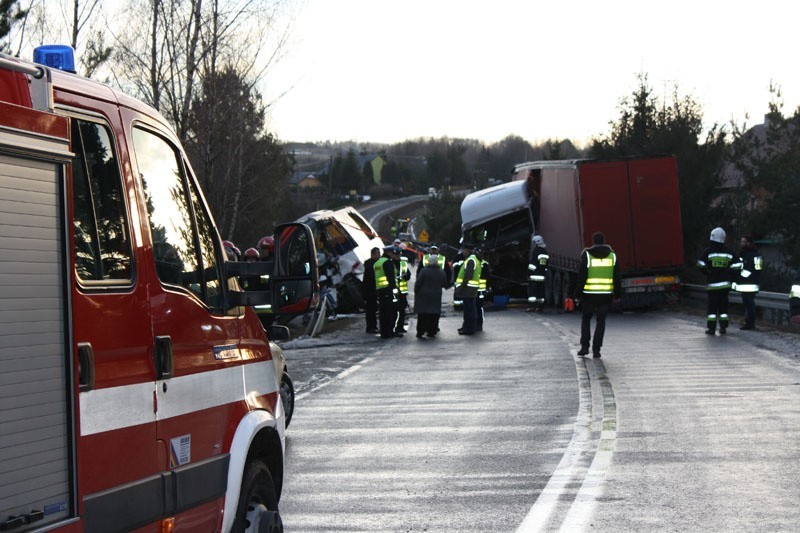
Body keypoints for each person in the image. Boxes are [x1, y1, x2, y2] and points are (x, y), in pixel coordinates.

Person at [576, 232, 619, 358]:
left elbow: (581, 276)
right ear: (604, 241)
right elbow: (617, 277)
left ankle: (584, 347)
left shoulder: (587, 255)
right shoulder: (612, 256)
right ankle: (596, 350)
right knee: (601, 322)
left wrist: (578, 293)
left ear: (593, 241)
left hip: (589, 296)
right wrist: (617, 294)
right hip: (605, 296)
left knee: (586, 320)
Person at [697, 227, 740, 335]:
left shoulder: (708, 251)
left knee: (712, 309)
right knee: (723, 309)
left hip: (712, 286)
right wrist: (730, 273)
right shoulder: (729, 252)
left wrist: (707, 272)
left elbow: (700, 264)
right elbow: (738, 265)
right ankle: (723, 328)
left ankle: (711, 329)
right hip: (725, 287)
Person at [414, 250, 448, 338]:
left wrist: (416, 291)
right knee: (434, 314)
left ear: (429, 262)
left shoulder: (424, 271)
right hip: (436, 295)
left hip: (423, 296)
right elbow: (444, 283)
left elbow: (418, 283)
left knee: (422, 314)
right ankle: (432, 331)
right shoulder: (441, 272)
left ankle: (420, 331)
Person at [733, 235, 763, 330]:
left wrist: (740, 274)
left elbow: (757, 269)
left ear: (749, 243)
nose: (742, 243)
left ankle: (750, 323)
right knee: (748, 304)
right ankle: (749, 323)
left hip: (750, 284)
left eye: (744, 241)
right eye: (741, 241)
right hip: (746, 284)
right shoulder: (743, 254)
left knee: (749, 304)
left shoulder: (755, 255)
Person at [375, 246, 402, 339]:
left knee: (383, 312)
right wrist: (395, 290)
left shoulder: (378, 262)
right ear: (389, 253)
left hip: (380, 290)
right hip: (388, 290)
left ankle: (384, 332)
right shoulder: (388, 262)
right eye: (393, 253)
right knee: (391, 312)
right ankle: (390, 331)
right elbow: (390, 278)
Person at [454, 242, 481, 336]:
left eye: (464, 250)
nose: (462, 252)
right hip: (470, 289)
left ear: (468, 250)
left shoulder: (471, 260)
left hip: (468, 289)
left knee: (469, 310)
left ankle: (469, 329)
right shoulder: (472, 259)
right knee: (469, 309)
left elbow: (468, 276)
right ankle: (467, 327)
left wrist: (461, 287)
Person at [527, 234, 549, 312]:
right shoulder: (545, 252)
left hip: (534, 276)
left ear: (537, 243)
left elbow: (533, 264)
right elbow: (545, 265)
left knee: (532, 293)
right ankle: (540, 307)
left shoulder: (536, 251)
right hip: (542, 276)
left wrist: (529, 273)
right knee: (540, 293)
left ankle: (532, 307)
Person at [362, 247, 381, 334]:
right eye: (378, 253)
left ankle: (373, 326)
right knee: (371, 310)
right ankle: (371, 326)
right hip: (370, 290)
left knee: (373, 309)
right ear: (373, 254)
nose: (379, 255)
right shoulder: (371, 264)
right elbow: (371, 278)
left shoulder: (372, 263)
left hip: (373, 290)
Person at [395, 249, 411, 334]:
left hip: (402, 292)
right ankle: (395, 327)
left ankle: (400, 327)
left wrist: (406, 276)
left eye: (399, 254)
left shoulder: (403, 264)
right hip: (394, 292)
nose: (398, 256)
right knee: (395, 311)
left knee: (402, 311)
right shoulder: (390, 263)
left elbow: (408, 275)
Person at [476, 248, 490, 331]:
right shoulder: (476, 263)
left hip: (481, 289)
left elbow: (487, 277)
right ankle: (476, 323)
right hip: (475, 288)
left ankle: (479, 324)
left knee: (479, 306)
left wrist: (487, 288)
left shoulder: (484, 264)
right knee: (476, 306)